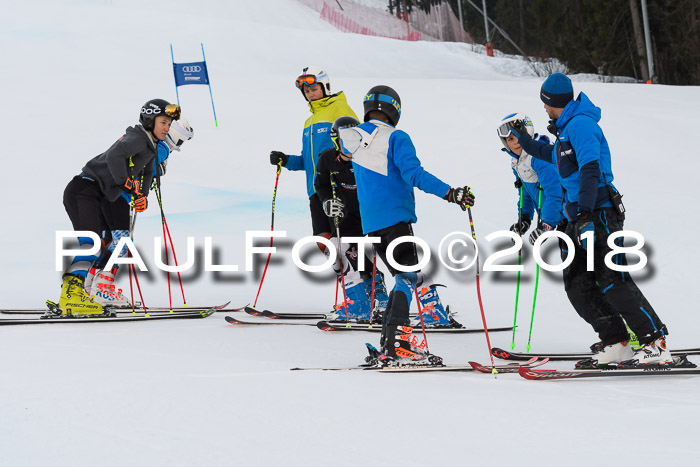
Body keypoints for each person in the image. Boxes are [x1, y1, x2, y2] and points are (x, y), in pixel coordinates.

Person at [507, 72, 670, 367]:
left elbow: (591, 170)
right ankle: (617, 341)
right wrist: (526, 139)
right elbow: (548, 153)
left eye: (545, 104)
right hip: (579, 216)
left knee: (613, 280)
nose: (543, 109)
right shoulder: (566, 129)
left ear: (553, 102)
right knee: (578, 283)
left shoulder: (581, 125)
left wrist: (584, 213)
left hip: (599, 213)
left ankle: (654, 342)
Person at [339, 85, 474, 364]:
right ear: (394, 109)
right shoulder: (396, 137)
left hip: (372, 224)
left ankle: (390, 339)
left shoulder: (355, 139)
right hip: (396, 219)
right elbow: (415, 174)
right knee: (408, 276)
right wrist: (451, 193)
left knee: (402, 277)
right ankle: (398, 341)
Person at [50, 99, 180, 316]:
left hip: (96, 194)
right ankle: (70, 296)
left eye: (169, 124)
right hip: (84, 189)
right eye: (164, 122)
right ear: (150, 121)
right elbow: (115, 155)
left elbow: (147, 172)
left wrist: (142, 195)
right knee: (91, 243)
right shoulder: (138, 137)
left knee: (98, 244)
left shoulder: (150, 146)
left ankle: (76, 293)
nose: (167, 128)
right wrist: (123, 182)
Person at [85, 118, 194, 307]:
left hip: (105, 193)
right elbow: (146, 167)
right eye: (182, 140)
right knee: (123, 241)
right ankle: (103, 289)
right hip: (119, 197)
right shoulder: (160, 148)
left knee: (109, 241)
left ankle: (89, 288)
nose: (180, 145)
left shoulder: (148, 141)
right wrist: (156, 173)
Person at [269, 66, 358, 247]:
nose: (310, 94)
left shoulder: (339, 108)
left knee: (345, 243)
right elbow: (307, 161)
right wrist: (285, 160)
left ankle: (364, 275)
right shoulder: (309, 122)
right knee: (323, 241)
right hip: (316, 190)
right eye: (307, 91)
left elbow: (357, 143)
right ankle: (348, 274)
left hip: (337, 186)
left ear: (325, 87)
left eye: (314, 89)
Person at [314, 116, 390, 322]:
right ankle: (361, 297)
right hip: (346, 213)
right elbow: (320, 184)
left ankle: (378, 293)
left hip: (368, 213)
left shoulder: (369, 159)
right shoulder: (327, 159)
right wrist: (327, 201)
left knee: (375, 252)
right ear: (336, 140)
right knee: (345, 251)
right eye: (344, 140)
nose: (349, 146)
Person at [495, 113, 562, 243]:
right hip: (556, 218)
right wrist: (524, 218)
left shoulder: (539, 156)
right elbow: (525, 192)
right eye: (509, 139)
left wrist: (546, 225)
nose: (515, 143)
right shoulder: (517, 162)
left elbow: (556, 192)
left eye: (517, 137)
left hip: (568, 217)